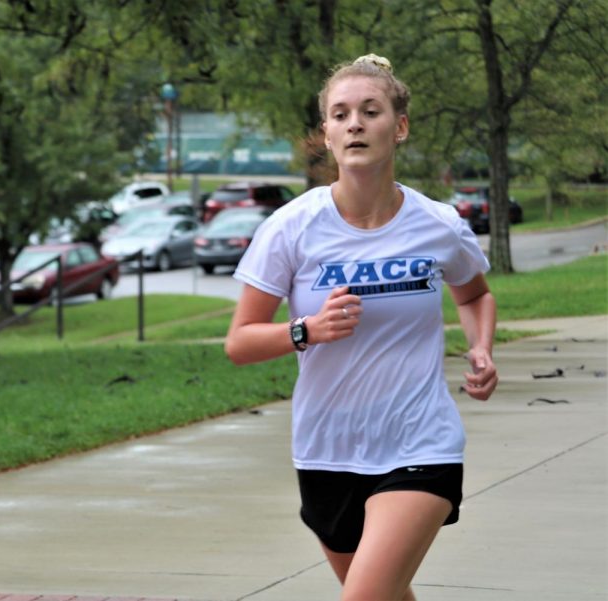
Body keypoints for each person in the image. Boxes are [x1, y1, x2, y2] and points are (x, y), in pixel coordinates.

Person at [225, 54, 498, 601]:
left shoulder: (439, 224)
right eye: (340, 114)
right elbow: (240, 342)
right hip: (327, 449)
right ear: (326, 134)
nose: (354, 123)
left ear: (398, 127)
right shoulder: (291, 228)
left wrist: (481, 347)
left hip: (421, 443)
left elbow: (474, 293)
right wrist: (306, 330)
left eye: (370, 111)